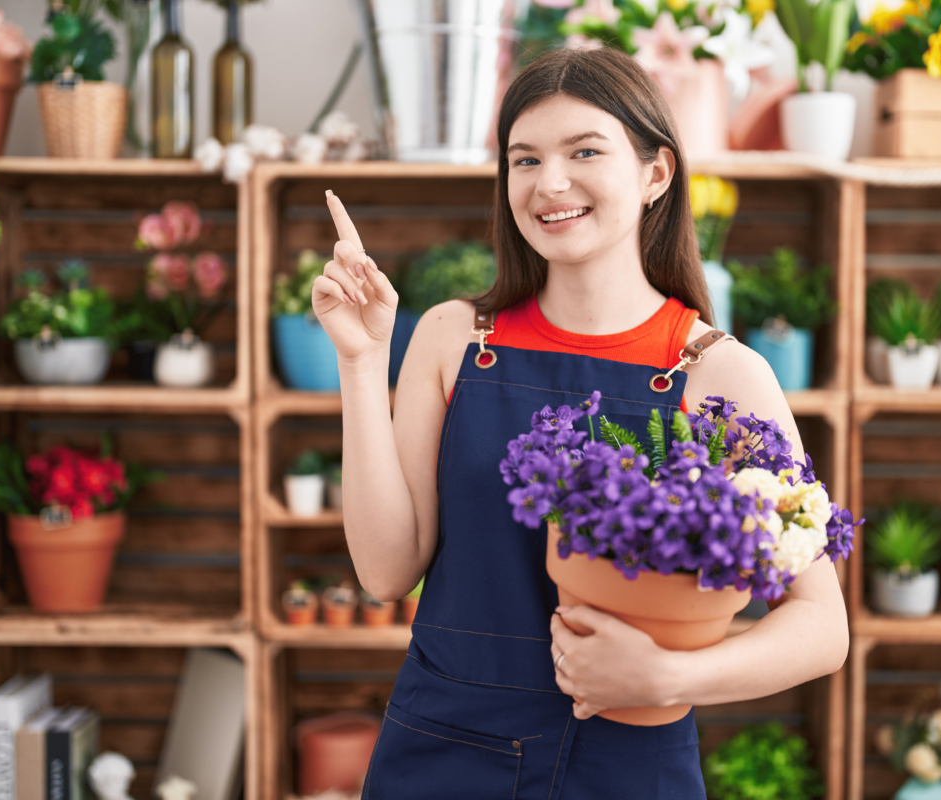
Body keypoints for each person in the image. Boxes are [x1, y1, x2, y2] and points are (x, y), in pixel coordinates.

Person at [312, 46, 848, 800]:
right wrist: (363, 365)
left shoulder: (721, 376)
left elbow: (823, 627)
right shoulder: (452, 337)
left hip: (629, 766)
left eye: (584, 150)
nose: (549, 183)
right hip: (441, 751)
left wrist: (672, 675)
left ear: (656, 173)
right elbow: (386, 572)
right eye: (524, 159)